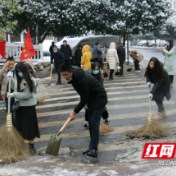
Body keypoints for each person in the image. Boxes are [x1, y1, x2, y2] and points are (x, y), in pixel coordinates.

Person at [61, 64, 107, 158]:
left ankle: (94, 149)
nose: (65, 77)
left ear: (71, 72)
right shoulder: (75, 76)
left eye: (66, 75)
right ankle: (91, 147)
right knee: (91, 123)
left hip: (99, 99)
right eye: (63, 75)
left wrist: (74, 112)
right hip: (92, 99)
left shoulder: (80, 80)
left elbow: (84, 98)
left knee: (94, 124)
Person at [7, 62, 40, 155]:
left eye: (20, 71)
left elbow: (27, 95)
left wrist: (14, 94)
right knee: (20, 127)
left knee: (29, 127)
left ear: (24, 71)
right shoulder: (19, 79)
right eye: (17, 72)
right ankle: (20, 146)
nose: (19, 73)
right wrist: (10, 78)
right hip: (20, 106)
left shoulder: (30, 80)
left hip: (29, 107)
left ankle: (31, 146)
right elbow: (15, 87)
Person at [84, 62, 110, 127]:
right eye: (94, 69)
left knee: (101, 105)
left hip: (98, 90)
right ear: (92, 69)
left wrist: (102, 93)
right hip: (89, 90)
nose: (96, 71)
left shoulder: (101, 74)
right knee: (88, 106)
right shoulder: (87, 73)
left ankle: (106, 117)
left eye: (97, 69)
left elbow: (102, 84)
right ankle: (87, 120)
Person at [0, 56, 16, 126]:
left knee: (17, 111)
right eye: (9, 64)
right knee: (9, 112)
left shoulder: (17, 71)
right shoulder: (4, 71)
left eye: (12, 64)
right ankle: (12, 127)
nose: (11, 66)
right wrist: (3, 68)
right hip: (7, 95)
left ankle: (17, 127)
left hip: (16, 94)